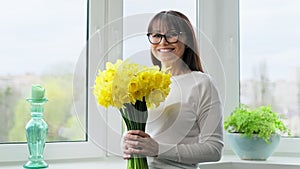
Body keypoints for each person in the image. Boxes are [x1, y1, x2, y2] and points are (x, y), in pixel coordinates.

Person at [123, 10, 224, 169]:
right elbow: (141, 133)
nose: (163, 42)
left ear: (187, 40)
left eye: (172, 34)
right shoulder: (143, 83)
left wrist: (158, 149)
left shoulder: (202, 84)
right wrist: (128, 142)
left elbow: (214, 149)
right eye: (156, 35)